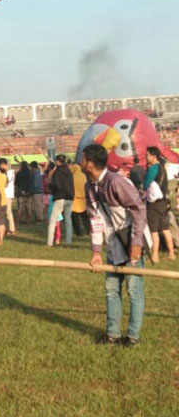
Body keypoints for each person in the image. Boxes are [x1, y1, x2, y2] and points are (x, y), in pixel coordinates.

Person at [83, 143, 146, 346]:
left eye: (83, 159)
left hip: (130, 243)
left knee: (134, 291)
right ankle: (112, 335)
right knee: (111, 289)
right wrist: (96, 252)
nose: (80, 162)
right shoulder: (89, 187)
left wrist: (136, 243)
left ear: (90, 164)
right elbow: (95, 220)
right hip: (112, 245)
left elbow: (138, 210)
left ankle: (133, 337)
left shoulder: (116, 182)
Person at [143, 146, 175, 262]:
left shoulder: (153, 168)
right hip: (163, 202)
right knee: (165, 228)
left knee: (154, 230)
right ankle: (171, 253)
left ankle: (155, 255)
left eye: (147, 155)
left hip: (154, 204)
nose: (146, 157)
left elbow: (146, 184)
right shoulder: (162, 168)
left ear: (153, 155)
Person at [47, 154, 75, 246]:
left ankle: (49, 242)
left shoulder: (57, 172)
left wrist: (51, 187)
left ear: (57, 161)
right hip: (69, 197)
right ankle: (69, 242)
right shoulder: (69, 172)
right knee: (68, 220)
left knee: (53, 220)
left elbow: (55, 185)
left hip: (59, 197)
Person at [70, 161, 90, 237]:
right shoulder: (83, 176)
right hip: (83, 199)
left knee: (75, 218)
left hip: (75, 199)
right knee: (85, 217)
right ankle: (89, 230)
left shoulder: (72, 177)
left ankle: (79, 232)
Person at [14, 160, 34, 224]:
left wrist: (20, 190)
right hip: (28, 193)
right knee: (28, 207)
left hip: (20, 192)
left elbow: (16, 183)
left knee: (20, 207)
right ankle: (28, 220)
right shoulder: (30, 173)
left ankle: (18, 220)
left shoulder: (18, 173)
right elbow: (31, 183)